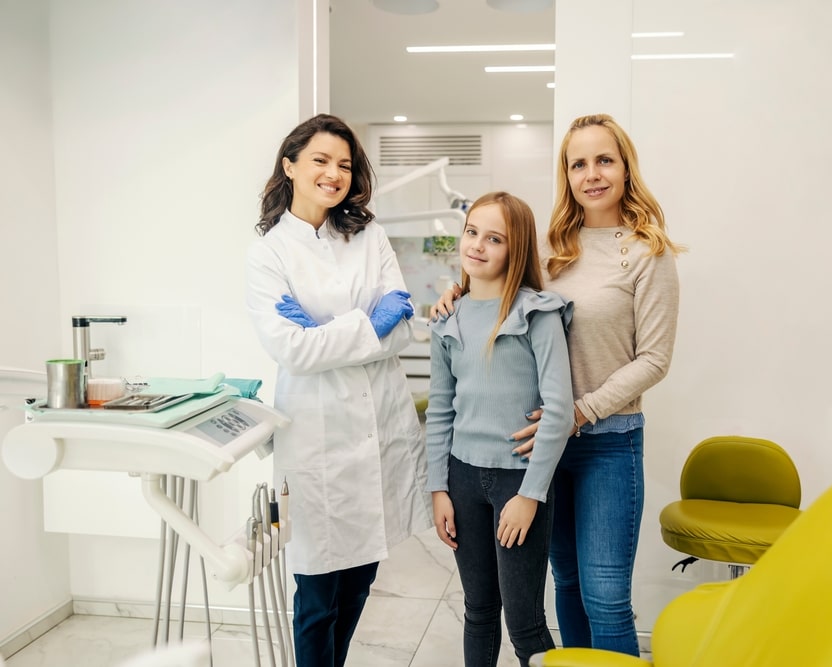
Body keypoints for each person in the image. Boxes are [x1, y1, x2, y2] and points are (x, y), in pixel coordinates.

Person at [432, 114, 681, 656]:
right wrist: (456, 294)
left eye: (604, 160)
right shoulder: (550, 245)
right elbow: (497, 286)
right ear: (566, 174)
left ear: (625, 166)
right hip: (539, 448)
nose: (592, 174)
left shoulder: (646, 252)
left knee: (606, 596)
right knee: (563, 582)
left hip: (607, 442)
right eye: (578, 163)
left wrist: (580, 411)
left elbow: (655, 359)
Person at [245, 113, 432, 667]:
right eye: (321, 161)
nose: (334, 174)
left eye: (345, 164)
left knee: (360, 582)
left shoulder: (368, 236)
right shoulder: (268, 254)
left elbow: (402, 330)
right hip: (316, 436)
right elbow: (291, 351)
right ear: (290, 165)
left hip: (376, 429)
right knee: (317, 597)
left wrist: (326, 330)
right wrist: (365, 323)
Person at [425, 191, 575, 667]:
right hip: (462, 480)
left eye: (495, 239)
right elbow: (440, 410)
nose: (478, 245)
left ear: (517, 249)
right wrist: (438, 488)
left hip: (518, 482)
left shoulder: (538, 313)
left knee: (525, 622)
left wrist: (531, 495)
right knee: (478, 611)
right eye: (472, 232)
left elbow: (559, 409)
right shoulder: (447, 317)